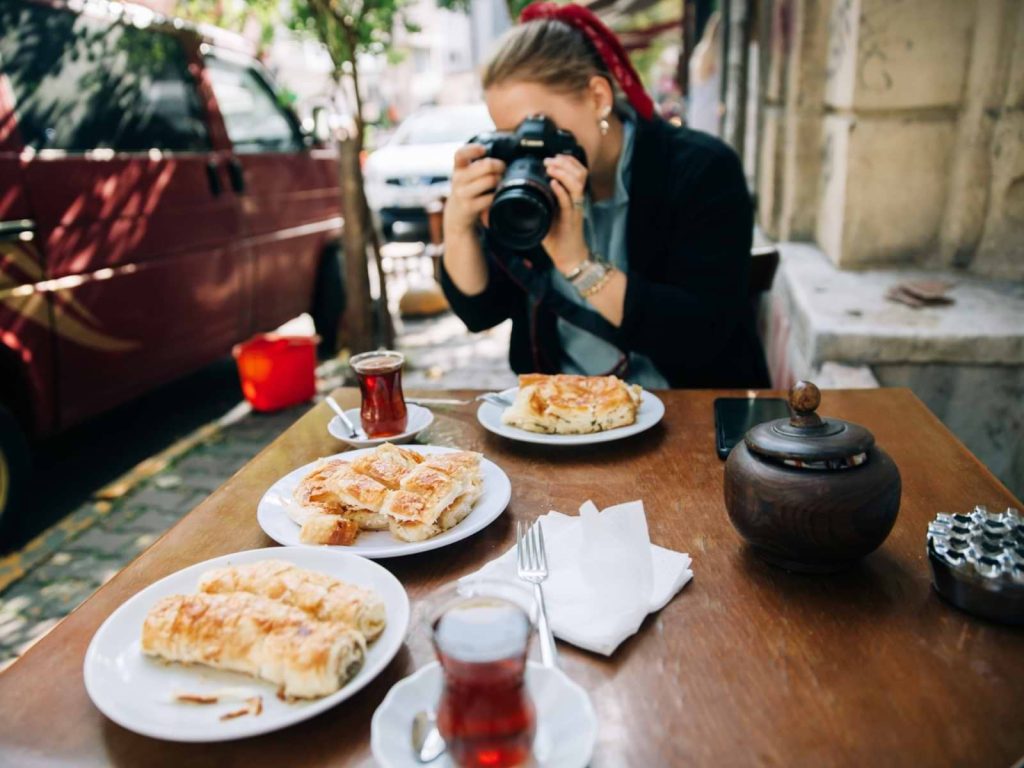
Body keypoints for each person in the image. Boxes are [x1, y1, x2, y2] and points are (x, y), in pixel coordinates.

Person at [440, 2, 769, 388]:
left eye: (535, 126)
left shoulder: (701, 170)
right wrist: (458, 225)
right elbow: (480, 312)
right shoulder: (530, 185)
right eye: (510, 135)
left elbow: (698, 337)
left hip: (685, 416)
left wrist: (577, 263)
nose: (529, 148)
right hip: (560, 414)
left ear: (598, 96)